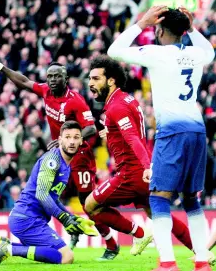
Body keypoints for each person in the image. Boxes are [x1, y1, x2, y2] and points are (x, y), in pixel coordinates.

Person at [0, 46, 116, 260]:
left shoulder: (75, 101)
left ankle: (110, 244)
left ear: (66, 78)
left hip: (77, 155)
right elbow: (24, 82)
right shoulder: (45, 91)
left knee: (88, 201)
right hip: (59, 153)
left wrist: (70, 138)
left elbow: (91, 128)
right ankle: (65, 234)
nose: (52, 80)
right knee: (51, 191)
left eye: (57, 76)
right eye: (50, 76)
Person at [107, 6, 215, 271]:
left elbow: (113, 51)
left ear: (159, 29)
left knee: (158, 197)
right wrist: (192, 29)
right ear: (184, 31)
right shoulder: (196, 52)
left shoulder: (157, 53)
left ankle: (167, 263)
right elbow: (210, 52)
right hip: (197, 130)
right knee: (191, 199)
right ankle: (202, 261)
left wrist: (140, 23)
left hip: (173, 131)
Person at [85, 55, 201, 259]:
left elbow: (132, 139)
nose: (90, 83)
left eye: (96, 79)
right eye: (90, 79)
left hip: (131, 173)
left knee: (91, 205)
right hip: (141, 171)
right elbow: (131, 133)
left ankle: (138, 234)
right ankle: (200, 251)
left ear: (111, 80)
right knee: (159, 215)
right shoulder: (127, 99)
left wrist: (147, 166)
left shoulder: (117, 107)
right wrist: (111, 133)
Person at [0, 121, 97, 265]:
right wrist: (65, 218)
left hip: (32, 219)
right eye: (68, 137)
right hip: (26, 218)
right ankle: (8, 249)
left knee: (58, 254)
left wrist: (72, 218)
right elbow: (41, 194)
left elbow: (53, 198)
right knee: (66, 257)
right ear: (60, 140)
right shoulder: (52, 160)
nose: (72, 141)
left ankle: (7, 246)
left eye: (76, 137)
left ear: (81, 141)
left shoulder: (66, 165)